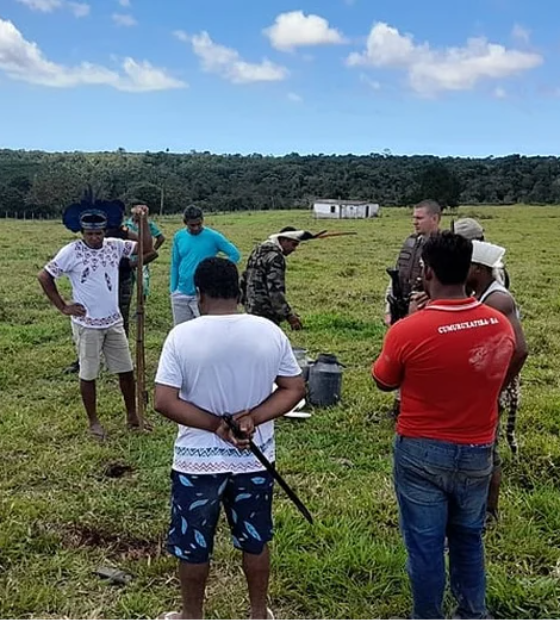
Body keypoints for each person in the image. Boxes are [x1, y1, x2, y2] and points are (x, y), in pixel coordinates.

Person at [372, 231, 516, 620]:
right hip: (477, 450)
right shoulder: (498, 323)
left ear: (428, 271)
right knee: (469, 538)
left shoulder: (410, 329)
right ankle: (473, 612)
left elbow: (383, 381)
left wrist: (408, 321)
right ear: (469, 271)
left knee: (425, 544)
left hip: (421, 450)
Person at [154, 257, 305, 620]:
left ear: (199, 294)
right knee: (255, 539)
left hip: (196, 464)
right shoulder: (269, 331)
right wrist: (253, 417)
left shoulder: (182, 336)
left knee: (194, 546)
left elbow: (164, 400)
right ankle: (257, 613)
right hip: (254, 461)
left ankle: (191, 616)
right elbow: (294, 388)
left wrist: (214, 426)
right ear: (238, 292)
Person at [38, 205, 153, 439]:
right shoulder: (71, 251)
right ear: (82, 233)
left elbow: (147, 248)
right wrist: (63, 306)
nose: (94, 237)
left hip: (113, 322)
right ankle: (93, 422)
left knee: (126, 370)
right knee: (88, 373)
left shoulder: (115, 245)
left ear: (104, 231)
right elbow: (44, 276)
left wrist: (142, 223)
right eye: (89, 233)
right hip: (87, 324)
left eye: (98, 233)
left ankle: (132, 416)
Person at [467, 240, 529, 524]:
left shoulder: (497, 299)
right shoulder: (480, 292)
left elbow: (519, 349)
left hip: (494, 384)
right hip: (485, 383)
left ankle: (490, 511)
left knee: (487, 446)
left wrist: (497, 388)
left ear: (478, 269)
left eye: (466, 266)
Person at [384, 199, 442, 417]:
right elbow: (396, 277)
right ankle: (400, 404)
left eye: (419, 218)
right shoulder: (411, 242)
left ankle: (421, 406)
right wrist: (388, 307)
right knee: (402, 357)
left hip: (428, 313)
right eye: (413, 217)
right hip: (402, 306)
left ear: (434, 219)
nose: (414, 222)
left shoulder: (445, 246)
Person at [170, 205, 240, 326]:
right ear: (185, 222)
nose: (196, 228)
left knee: (205, 328)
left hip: (204, 293)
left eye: (199, 224)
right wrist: (173, 289)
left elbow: (234, 254)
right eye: (192, 225)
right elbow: (175, 263)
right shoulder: (179, 236)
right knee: (182, 329)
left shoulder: (213, 236)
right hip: (181, 292)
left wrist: (217, 273)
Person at [240, 227, 303, 330]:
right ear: (283, 240)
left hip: (250, 308)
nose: (294, 249)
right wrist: (289, 315)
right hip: (266, 312)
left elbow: (244, 279)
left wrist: (245, 302)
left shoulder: (256, 251)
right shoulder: (276, 257)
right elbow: (275, 291)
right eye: (294, 244)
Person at [125, 209, 166, 301]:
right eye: (135, 212)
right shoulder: (126, 225)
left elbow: (161, 238)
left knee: (143, 283)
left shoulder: (148, 224)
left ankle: (141, 306)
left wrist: (151, 251)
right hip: (128, 258)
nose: (137, 214)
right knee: (127, 284)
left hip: (142, 259)